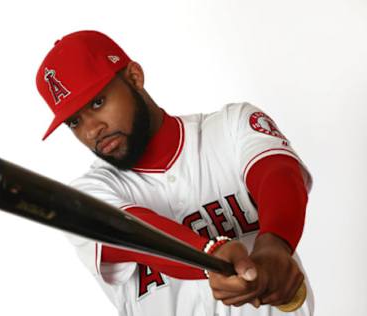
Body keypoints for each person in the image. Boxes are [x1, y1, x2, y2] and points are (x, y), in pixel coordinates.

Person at [35, 30, 314, 316]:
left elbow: (278, 173)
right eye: (74, 122)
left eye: (97, 103)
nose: (92, 130)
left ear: (134, 77)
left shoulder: (231, 127)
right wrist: (210, 255)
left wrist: (275, 243)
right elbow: (130, 228)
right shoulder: (85, 196)